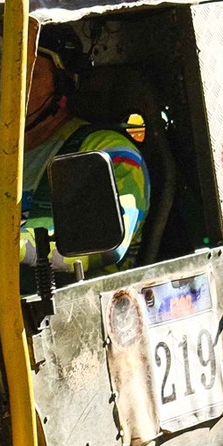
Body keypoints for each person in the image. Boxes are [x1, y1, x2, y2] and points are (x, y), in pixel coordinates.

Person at [19, 44, 150, 275]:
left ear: (63, 84)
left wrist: (11, 248)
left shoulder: (110, 153)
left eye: (29, 73)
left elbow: (108, 245)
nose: (9, 83)